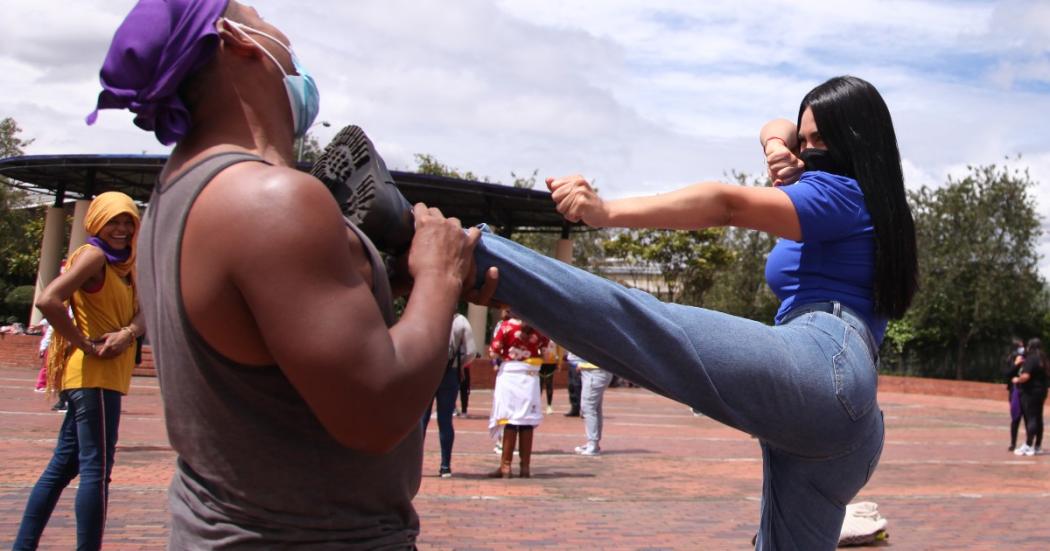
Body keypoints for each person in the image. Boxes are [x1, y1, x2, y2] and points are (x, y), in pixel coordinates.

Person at [86, 1, 492, 547]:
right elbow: (377, 410)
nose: (284, 34)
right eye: (259, 13)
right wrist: (442, 275)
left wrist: (400, 287)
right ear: (236, 40)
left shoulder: (175, 194)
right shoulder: (271, 200)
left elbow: (262, 340)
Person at [467, 75, 917, 550]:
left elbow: (724, 205)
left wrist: (604, 212)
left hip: (823, 362)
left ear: (854, 140)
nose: (805, 149)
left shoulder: (836, 193)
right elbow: (777, 124)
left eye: (818, 140)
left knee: (648, 326)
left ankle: (473, 251)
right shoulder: (870, 203)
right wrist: (778, 147)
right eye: (803, 140)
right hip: (846, 421)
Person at [14, 192, 144, 551]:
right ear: (96, 222)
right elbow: (47, 300)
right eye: (113, 221)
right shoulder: (94, 256)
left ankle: (23, 546)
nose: (120, 229)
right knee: (96, 470)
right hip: (93, 376)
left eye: (127, 222)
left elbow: (144, 310)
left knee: (62, 467)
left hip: (106, 377)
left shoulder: (127, 263)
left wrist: (128, 332)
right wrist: (83, 343)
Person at [488, 314, 549, 478]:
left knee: (509, 418)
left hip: (510, 375)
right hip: (529, 377)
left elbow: (494, 351)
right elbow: (546, 352)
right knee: (526, 419)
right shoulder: (539, 327)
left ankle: (506, 466)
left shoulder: (506, 326)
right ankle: (525, 467)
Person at [421, 312, 476, 478]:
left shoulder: (427, 314)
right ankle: (445, 465)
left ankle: (414, 464)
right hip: (449, 372)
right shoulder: (460, 321)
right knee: (445, 420)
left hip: (427, 372)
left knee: (421, 420)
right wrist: (460, 364)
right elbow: (471, 352)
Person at [570, 352, 613, 456]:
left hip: (595, 371)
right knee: (595, 408)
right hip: (594, 370)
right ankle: (593, 443)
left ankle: (593, 444)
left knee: (588, 408)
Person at [1012, 338, 1047, 456]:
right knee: (1038, 418)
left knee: (1031, 418)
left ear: (1030, 347)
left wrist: (1018, 379)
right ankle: (1037, 445)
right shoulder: (1044, 359)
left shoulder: (1031, 359)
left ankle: (1028, 445)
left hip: (1031, 392)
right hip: (1042, 391)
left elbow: (1026, 376)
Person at [1003, 338, 1026, 451]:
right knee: (1015, 418)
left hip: (1027, 391)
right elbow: (1007, 374)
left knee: (1027, 418)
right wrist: (1016, 364)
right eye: (1020, 346)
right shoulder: (1010, 359)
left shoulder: (1028, 357)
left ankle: (1029, 443)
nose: (1022, 349)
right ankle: (1013, 443)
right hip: (1014, 391)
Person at [539, 337, 560, 414]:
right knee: (539, 384)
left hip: (551, 362)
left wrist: (558, 361)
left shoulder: (554, 336)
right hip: (540, 362)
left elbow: (558, 349)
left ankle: (549, 405)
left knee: (549, 384)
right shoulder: (539, 335)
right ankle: (537, 405)